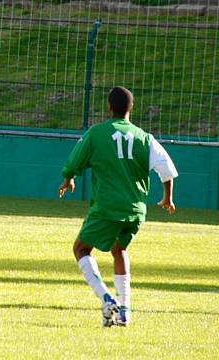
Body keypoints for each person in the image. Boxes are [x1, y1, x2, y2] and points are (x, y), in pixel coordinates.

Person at [58, 86, 178, 327]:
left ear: (109, 107)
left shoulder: (97, 133)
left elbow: (74, 160)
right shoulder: (145, 137)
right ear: (131, 108)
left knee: (81, 249)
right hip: (135, 210)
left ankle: (106, 298)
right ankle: (125, 310)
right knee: (118, 249)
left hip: (108, 207)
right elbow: (166, 169)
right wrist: (167, 197)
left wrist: (68, 177)